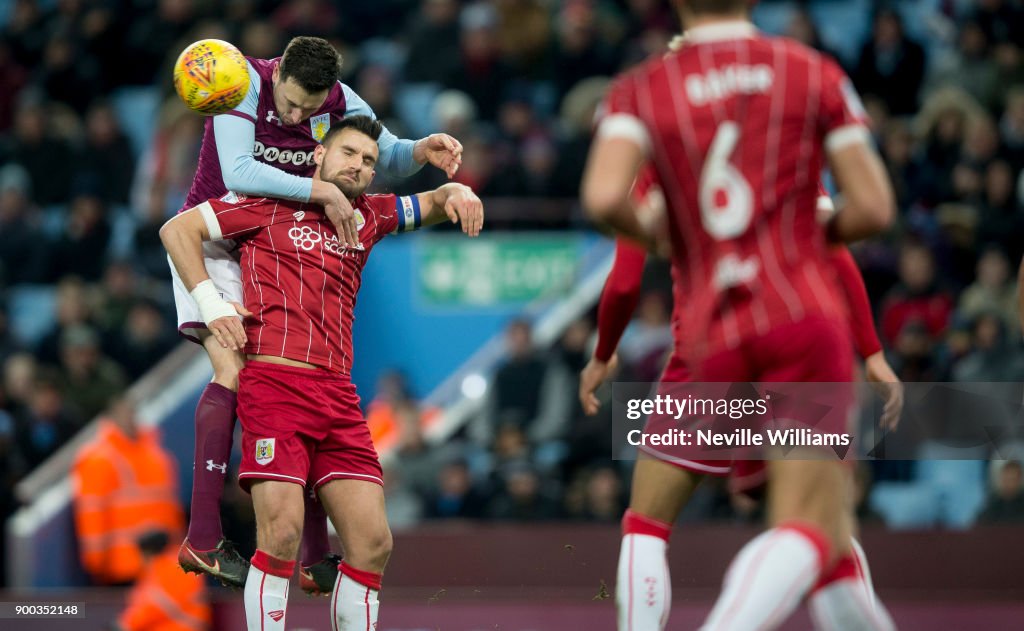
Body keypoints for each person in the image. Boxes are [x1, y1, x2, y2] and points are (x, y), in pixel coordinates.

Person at [581, 0, 897, 629]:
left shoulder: (643, 93)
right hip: (800, 320)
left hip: (709, 338)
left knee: (650, 523)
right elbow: (873, 211)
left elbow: (604, 213)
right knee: (815, 522)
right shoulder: (809, 73)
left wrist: (668, 238)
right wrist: (871, 348)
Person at [160, 115, 483, 630]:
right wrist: (211, 304)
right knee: (281, 534)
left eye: (369, 161)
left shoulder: (370, 215)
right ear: (318, 156)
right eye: (349, 153)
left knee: (374, 544)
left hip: (338, 396)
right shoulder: (267, 204)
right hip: (275, 386)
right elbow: (178, 230)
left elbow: (435, 202)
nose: (358, 166)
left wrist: (457, 191)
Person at [71, 396, 184, 586]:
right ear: (110, 416)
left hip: (163, 566)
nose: (129, 417)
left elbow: (172, 511)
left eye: (131, 411)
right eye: (123, 411)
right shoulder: (98, 459)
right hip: (121, 569)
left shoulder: (159, 457)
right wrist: (96, 563)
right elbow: (91, 514)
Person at [113, 530, 211, 631]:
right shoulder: (170, 567)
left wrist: (125, 625)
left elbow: (152, 606)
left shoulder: (171, 570)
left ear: (148, 552)